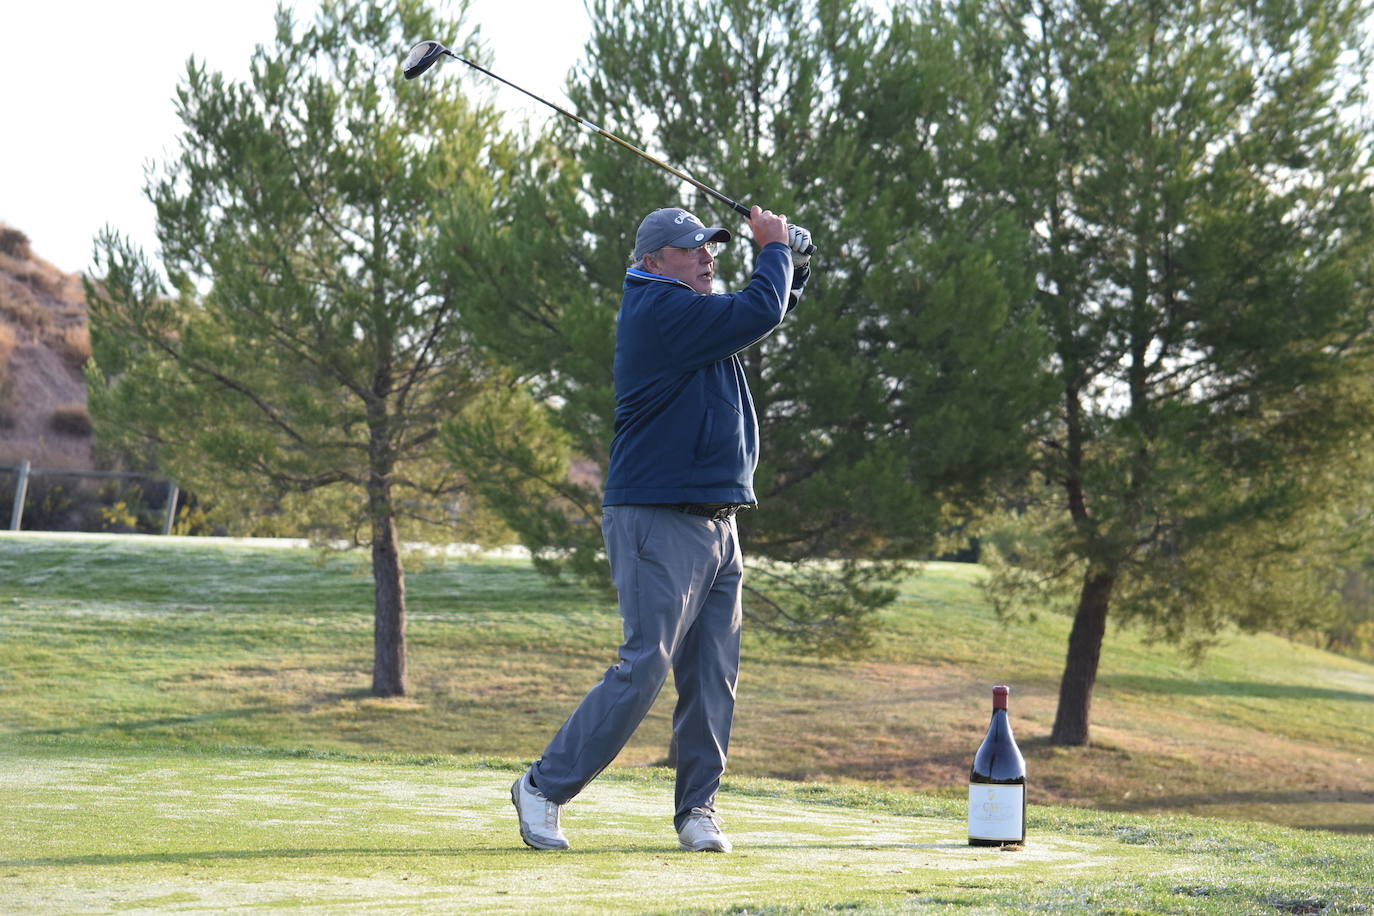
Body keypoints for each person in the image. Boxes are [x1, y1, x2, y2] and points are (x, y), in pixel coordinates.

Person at [510, 204, 813, 853]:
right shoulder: (660, 311)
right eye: (690, 248)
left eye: (710, 246)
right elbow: (759, 310)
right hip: (657, 516)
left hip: (717, 521)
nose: (706, 256)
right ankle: (542, 787)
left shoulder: (694, 316)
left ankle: (697, 809)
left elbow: (769, 304)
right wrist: (775, 249)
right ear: (653, 262)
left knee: (711, 676)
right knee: (643, 666)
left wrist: (792, 258)